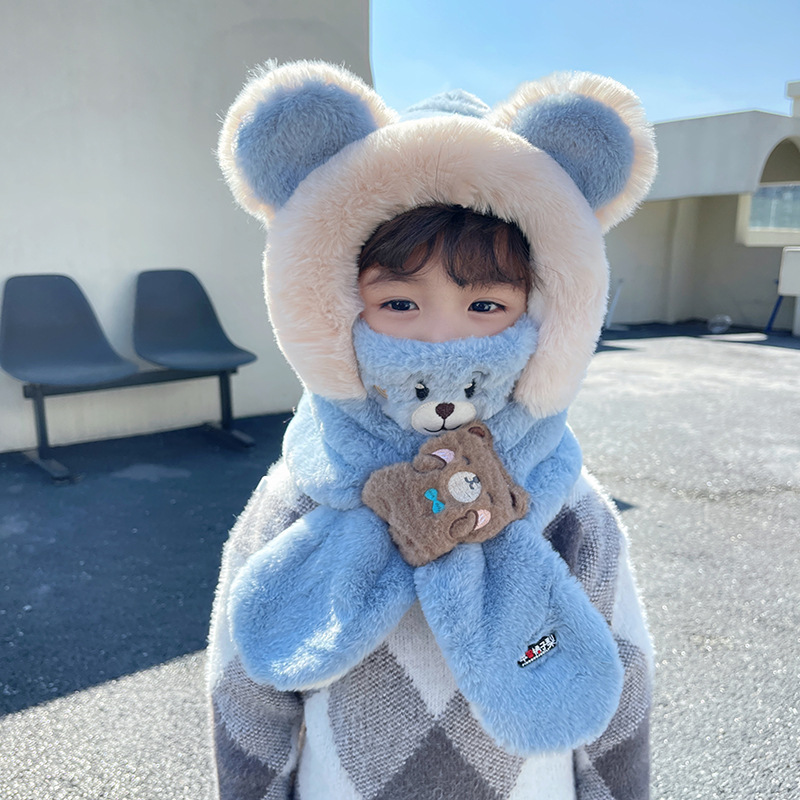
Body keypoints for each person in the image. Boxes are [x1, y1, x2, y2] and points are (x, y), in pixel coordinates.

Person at [209, 60, 657, 800]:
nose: (442, 343)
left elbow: (622, 691)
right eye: (398, 303)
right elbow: (243, 695)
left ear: (546, 313)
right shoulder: (300, 494)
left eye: (486, 306)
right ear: (334, 303)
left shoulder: (567, 504)